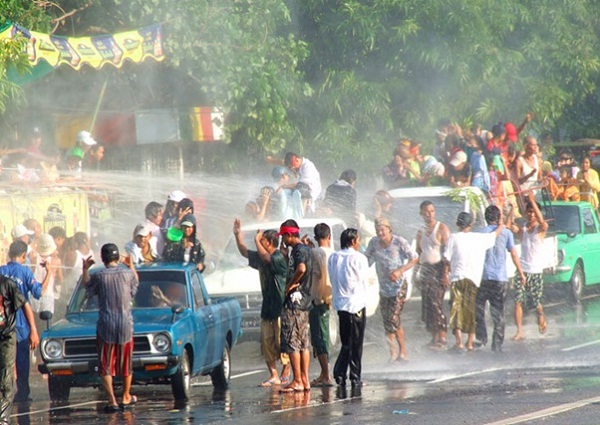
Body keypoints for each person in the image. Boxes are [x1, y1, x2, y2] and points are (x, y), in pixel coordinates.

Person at [232, 218, 290, 387]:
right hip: (267, 308)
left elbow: (267, 260)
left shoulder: (279, 257)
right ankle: (273, 375)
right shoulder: (261, 257)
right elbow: (244, 252)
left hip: (280, 308)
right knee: (267, 343)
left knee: (283, 342)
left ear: (270, 242)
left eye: (263, 240)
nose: (259, 243)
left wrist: (257, 240)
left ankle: (286, 370)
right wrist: (237, 235)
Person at [82, 243, 139, 413]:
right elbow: (136, 284)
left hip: (106, 325)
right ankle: (126, 396)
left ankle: (112, 400)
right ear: (117, 258)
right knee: (126, 362)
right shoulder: (128, 274)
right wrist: (131, 266)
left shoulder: (99, 276)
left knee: (105, 364)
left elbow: (87, 287)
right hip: (125, 325)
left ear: (103, 258)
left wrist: (85, 269)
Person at [443, 212, 502, 351]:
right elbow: (496, 234)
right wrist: (501, 223)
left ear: (457, 224)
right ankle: (469, 342)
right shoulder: (479, 238)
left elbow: (446, 258)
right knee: (471, 311)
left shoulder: (453, 237)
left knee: (456, 310)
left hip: (457, 278)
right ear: (471, 224)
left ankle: (459, 342)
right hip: (474, 280)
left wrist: (446, 273)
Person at [0, 241, 50, 403]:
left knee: (5, 359)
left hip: (3, 323)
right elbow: (39, 292)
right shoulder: (25, 272)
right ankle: (22, 392)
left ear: (9, 254)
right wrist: (49, 272)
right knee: (22, 361)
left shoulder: (1, 271)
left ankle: (5, 392)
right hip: (21, 324)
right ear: (23, 255)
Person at [365, 217, 418, 362]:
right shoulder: (374, 243)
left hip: (399, 286)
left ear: (389, 229)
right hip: (384, 288)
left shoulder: (399, 242)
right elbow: (366, 260)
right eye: (377, 230)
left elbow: (414, 258)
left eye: (382, 229)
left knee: (394, 319)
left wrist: (400, 271)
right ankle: (393, 353)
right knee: (387, 321)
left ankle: (403, 352)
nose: (380, 233)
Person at [475, 206, 526, 352]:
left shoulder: (479, 233)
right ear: (498, 218)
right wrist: (521, 272)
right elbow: (514, 254)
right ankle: (497, 343)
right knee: (498, 312)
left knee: (478, 309)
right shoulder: (506, 233)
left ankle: (481, 337)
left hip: (482, 278)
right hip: (500, 279)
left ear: (485, 217)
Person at [328, 228, 369, 389]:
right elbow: (363, 281)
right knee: (356, 343)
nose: (359, 243)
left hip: (341, 304)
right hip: (356, 304)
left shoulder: (334, 257)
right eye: (358, 240)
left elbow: (332, 278)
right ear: (353, 241)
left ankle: (340, 373)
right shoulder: (359, 258)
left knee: (346, 341)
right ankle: (353, 376)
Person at [277, 219, 313, 393]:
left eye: (284, 236)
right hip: (305, 302)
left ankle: (297, 380)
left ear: (290, 235)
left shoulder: (298, 250)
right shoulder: (306, 249)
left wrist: (290, 284)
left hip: (295, 302)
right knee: (304, 342)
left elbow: (301, 269)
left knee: (292, 342)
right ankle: (304, 380)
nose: (282, 240)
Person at [509, 192, 549, 340]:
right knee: (518, 300)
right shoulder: (523, 229)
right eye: (529, 211)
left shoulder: (540, 229)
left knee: (534, 302)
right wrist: (512, 209)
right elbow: (508, 227)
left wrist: (532, 201)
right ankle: (519, 331)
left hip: (536, 271)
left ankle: (540, 315)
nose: (531, 214)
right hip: (522, 271)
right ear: (525, 213)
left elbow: (543, 223)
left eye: (533, 212)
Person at [0, 273, 38, 423]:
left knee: (5, 377)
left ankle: (2, 419)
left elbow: (25, 304)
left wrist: (33, 330)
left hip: (6, 337)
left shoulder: (7, 283)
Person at [415, 201, 451, 349]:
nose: (429, 214)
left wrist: (445, 273)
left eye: (431, 211)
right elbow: (418, 252)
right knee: (428, 305)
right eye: (426, 211)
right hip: (426, 269)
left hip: (438, 269)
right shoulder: (420, 231)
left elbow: (447, 252)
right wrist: (416, 273)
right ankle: (433, 336)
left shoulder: (441, 228)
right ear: (421, 213)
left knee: (437, 304)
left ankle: (442, 336)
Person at [305, 223, 334, 387]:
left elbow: (318, 274)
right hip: (330, 298)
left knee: (319, 337)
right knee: (324, 335)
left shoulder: (314, 253)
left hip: (317, 299)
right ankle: (325, 373)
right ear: (329, 236)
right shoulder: (334, 254)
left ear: (316, 238)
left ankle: (325, 374)